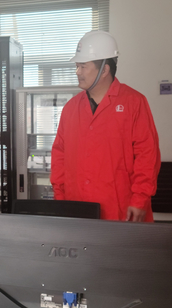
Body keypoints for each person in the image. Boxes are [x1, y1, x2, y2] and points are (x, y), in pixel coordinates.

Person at [50, 30, 160, 221]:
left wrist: (140, 198)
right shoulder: (71, 108)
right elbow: (59, 155)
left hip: (120, 208)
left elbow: (147, 155)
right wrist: (60, 198)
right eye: (77, 66)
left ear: (104, 70)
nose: (78, 72)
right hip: (77, 207)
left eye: (83, 66)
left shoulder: (134, 102)